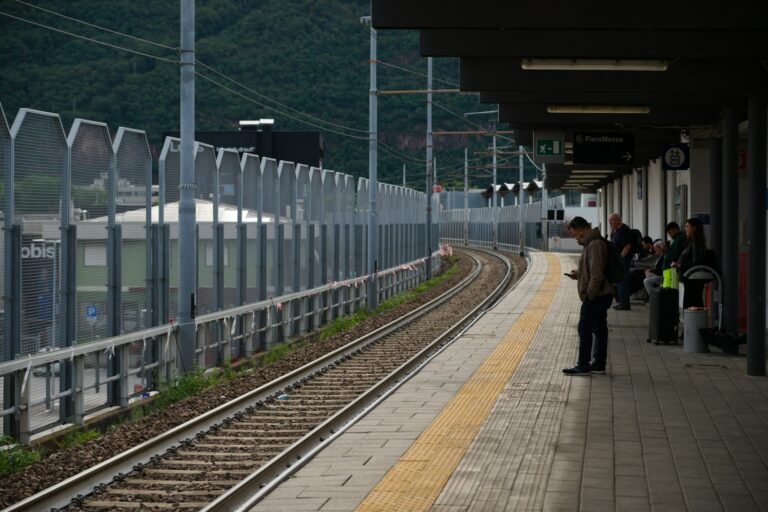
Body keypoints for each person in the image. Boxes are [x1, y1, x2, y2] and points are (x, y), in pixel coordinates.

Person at [563, 216, 614, 376]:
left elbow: (597, 274)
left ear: (581, 229)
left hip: (598, 294)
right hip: (600, 293)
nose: (575, 238)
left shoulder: (595, 244)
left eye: (575, 234)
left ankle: (583, 364)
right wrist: (579, 274)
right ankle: (598, 364)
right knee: (599, 327)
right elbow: (593, 270)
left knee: (584, 327)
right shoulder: (591, 243)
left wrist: (589, 295)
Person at [671, 217, 708, 308]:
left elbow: (696, 262)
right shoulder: (692, 241)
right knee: (694, 303)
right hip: (691, 278)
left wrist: (679, 265)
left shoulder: (695, 242)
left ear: (694, 228)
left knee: (692, 304)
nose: (685, 228)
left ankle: (693, 322)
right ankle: (694, 321)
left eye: (687, 226)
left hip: (693, 279)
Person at [608, 213, 633, 310]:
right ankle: (621, 301)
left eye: (612, 220)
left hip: (623, 261)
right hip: (617, 260)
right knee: (619, 281)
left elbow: (627, 246)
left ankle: (625, 304)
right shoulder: (615, 230)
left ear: (618, 220)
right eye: (609, 220)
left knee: (623, 281)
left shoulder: (624, 230)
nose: (610, 222)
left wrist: (620, 259)